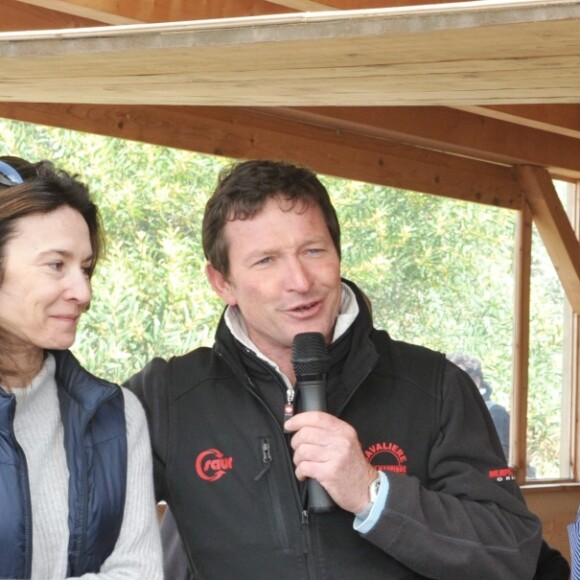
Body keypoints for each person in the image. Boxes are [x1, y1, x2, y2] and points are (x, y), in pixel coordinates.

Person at [127, 159, 544, 579]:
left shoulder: (434, 384)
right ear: (222, 283)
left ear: (338, 253)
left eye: (313, 250)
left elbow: (512, 552)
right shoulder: (169, 395)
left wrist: (373, 493)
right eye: (266, 261)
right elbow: (78, 516)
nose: (300, 280)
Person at [0, 156, 162, 579]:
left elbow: (138, 573)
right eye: (57, 265)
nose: (83, 291)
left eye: (86, 269)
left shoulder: (116, 415)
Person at [446, 353, 510, 459]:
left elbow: (502, 456)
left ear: (476, 382)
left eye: (459, 380)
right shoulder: (445, 414)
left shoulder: (496, 413)